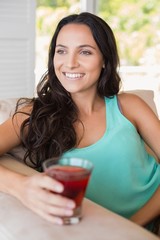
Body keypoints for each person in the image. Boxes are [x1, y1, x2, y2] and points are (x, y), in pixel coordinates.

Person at [0, 12, 160, 232]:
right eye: (61, 51)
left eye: (85, 52)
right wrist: (20, 186)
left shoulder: (129, 105)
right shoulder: (33, 115)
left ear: (104, 59)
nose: (70, 63)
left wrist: (133, 225)